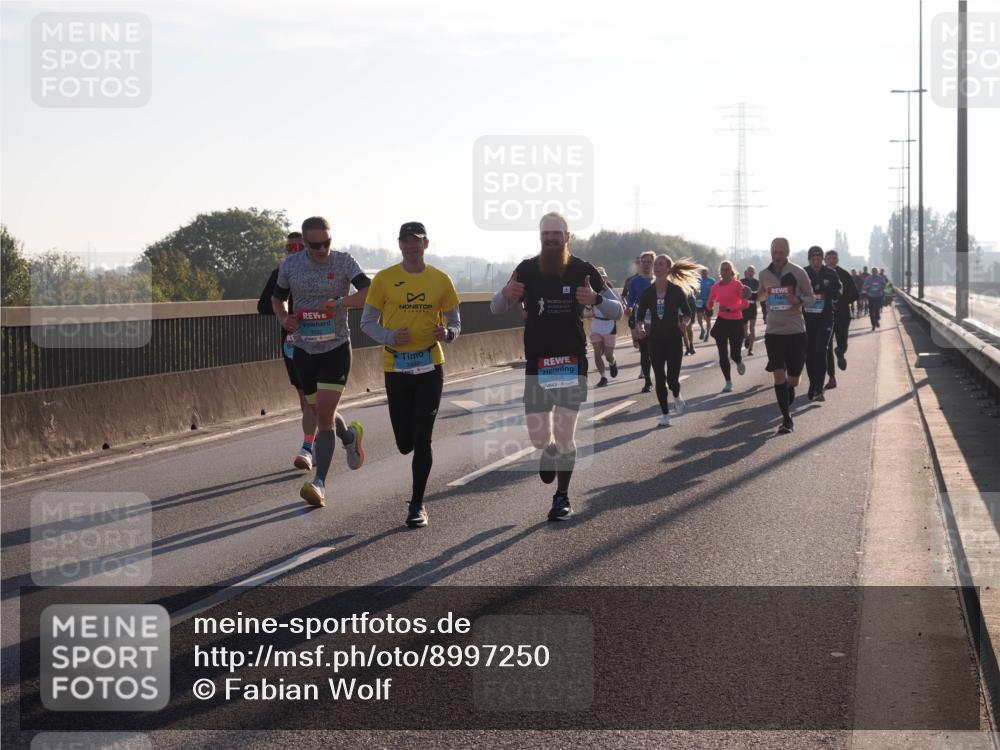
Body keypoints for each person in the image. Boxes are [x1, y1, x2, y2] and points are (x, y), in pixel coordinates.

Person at [491, 212, 623, 521]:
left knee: (566, 434)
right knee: (540, 439)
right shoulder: (526, 269)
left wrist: (596, 298)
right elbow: (495, 308)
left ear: (568, 236)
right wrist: (505, 294)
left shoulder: (584, 270)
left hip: (571, 362)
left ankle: (561, 497)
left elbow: (619, 309)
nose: (550, 238)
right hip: (538, 363)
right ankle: (547, 449)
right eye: (545, 234)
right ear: (540, 237)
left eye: (556, 233)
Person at [360, 222, 460, 529]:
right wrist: (389, 336)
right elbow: (366, 322)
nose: (411, 247)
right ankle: (405, 452)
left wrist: (449, 332)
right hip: (397, 367)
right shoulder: (386, 279)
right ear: (400, 245)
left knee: (422, 437)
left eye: (416, 242)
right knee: (405, 442)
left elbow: (456, 320)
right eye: (405, 242)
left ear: (426, 244)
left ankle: (417, 504)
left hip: (431, 365)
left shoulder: (441, 279)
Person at [272, 216, 369, 507]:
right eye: (315, 245)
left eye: (327, 242)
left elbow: (368, 292)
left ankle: (320, 483)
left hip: (336, 348)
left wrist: (340, 303)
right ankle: (349, 436)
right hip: (303, 349)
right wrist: (284, 318)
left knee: (324, 412)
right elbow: (277, 299)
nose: (322, 249)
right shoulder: (290, 266)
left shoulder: (343, 262)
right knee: (318, 412)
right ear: (304, 243)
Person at [258, 232, 319, 470]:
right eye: (289, 246)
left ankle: (325, 441)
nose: (294, 250)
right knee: (306, 399)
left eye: (299, 246)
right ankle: (309, 448)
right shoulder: (280, 273)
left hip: (322, 341)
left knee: (318, 400)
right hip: (292, 343)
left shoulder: (321, 271)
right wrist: (284, 314)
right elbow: (263, 305)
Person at [633, 255, 700, 426]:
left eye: (660, 264)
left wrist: (684, 323)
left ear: (668, 268)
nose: (657, 266)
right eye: (655, 264)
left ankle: (676, 395)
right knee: (660, 378)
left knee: (672, 379)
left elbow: (687, 313)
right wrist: (640, 328)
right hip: (654, 340)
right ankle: (665, 415)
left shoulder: (676, 291)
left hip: (674, 339)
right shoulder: (647, 293)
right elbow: (640, 317)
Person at [758, 237, 815, 435]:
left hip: (796, 331)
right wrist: (750, 295)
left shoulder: (799, 272)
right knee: (778, 374)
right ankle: (786, 419)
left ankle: (789, 390)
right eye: (775, 252)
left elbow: (811, 297)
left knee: (793, 379)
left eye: (781, 252)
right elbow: (762, 295)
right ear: (771, 252)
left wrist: (797, 299)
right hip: (773, 332)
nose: (778, 256)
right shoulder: (764, 274)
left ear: (787, 252)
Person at [803, 246, 842, 402]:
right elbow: (794, 290)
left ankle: (819, 388)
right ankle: (813, 383)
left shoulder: (831, 273)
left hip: (825, 318)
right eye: (813, 260)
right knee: (810, 354)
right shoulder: (803, 273)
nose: (816, 262)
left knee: (821, 350)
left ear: (822, 260)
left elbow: (839, 289)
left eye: (819, 259)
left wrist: (834, 297)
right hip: (808, 319)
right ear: (809, 260)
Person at [706, 260, 750, 392]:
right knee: (722, 353)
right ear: (720, 272)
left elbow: (745, 304)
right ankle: (728, 382)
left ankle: (739, 361)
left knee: (735, 353)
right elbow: (710, 300)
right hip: (722, 322)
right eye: (722, 270)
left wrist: (730, 308)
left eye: (727, 269)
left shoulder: (737, 284)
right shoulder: (716, 286)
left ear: (731, 271)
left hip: (736, 322)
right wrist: (709, 306)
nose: (724, 272)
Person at [824, 250, 858, 389]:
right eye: (829, 258)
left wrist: (842, 302)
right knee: (826, 347)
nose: (831, 260)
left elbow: (855, 294)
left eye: (834, 258)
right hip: (825, 315)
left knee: (842, 342)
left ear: (837, 259)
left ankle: (840, 352)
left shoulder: (844, 274)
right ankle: (831, 377)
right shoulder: (820, 274)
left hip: (842, 314)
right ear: (825, 260)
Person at [625, 252, 655, 392]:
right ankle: (648, 381)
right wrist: (629, 308)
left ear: (653, 263)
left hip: (659, 321)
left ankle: (661, 376)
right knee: (645, 352)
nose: (646, 264)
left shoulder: (659, 280)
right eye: (644, 261)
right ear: (640, 263)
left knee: (658, 352)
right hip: (641, 320)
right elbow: (631, 299)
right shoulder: (634, 282)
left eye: (649, 261)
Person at [587, 266, 622, 388]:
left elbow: (619, 309)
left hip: (609, 325)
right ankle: (603, 377)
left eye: (603, 277)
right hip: (596, 325)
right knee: (597, 353)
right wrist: (587, 313)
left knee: (608, 355)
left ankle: (612, 362)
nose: (601, 279)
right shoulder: (591, 292)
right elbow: (585, 309)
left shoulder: (612, 292)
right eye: (598, 277)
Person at [741, 265, 761, 356]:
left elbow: (760, 294)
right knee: (744, 329)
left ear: (754, 273)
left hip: (752, 307)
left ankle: (751, 349)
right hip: (743, 307)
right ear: (746, 272)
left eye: (752, 271)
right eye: (749, 271)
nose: (750, 273)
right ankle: (746, 338)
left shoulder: (757, 282)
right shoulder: (741, 282)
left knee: (752, 328)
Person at [695, 268, 716, 341]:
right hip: (699, 301)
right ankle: (702, 329)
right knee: (699, 317)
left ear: (708, 273)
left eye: (705, 272)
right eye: (702, 272)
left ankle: (707, 333)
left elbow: (714, 291)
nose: (703, 274)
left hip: (708, 301)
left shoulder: (711, 281)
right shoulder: (698, 280)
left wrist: (712, 299)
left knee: (708, 319)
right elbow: (694, 290)